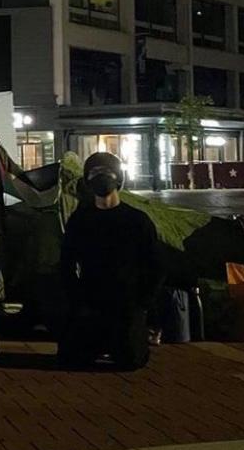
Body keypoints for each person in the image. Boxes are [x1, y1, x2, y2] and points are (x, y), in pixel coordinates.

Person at [57, 152, 164, 371]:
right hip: (91, 302)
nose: (101, 177)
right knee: (72, 360)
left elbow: (155, 266)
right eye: (95, 173)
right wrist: (77, 300)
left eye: (107, 172)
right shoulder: (80, 220)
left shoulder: (137, 221)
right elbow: (66, 263)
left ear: (118, 177)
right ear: (87, 180)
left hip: (127, 304)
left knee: (130, 360)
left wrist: (142, 306)